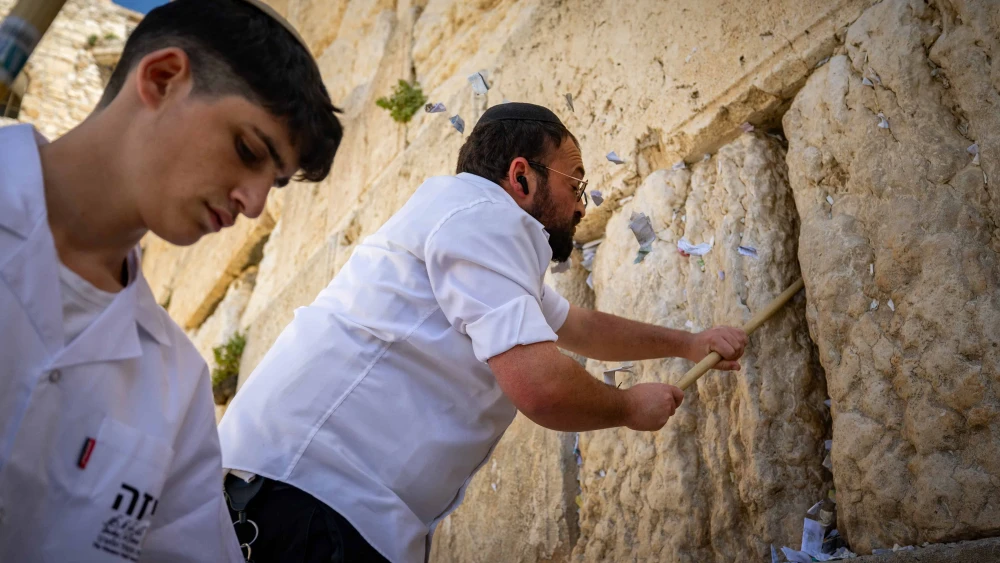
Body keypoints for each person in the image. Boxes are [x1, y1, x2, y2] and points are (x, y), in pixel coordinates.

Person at [218, 103, 747, 562]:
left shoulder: (464, 228)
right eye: (576, 182)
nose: (583, 205)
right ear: (521, 178)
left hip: (303, 495)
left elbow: (577, 326)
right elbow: (540, 385)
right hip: (311, 498)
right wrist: (628, 407)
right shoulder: (485, 218)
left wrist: (689, 343)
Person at [0, 0, 341, 561]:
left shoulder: (176, 387)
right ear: (161, 79)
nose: (253, 204)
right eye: (247, 149)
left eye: (273, 183)